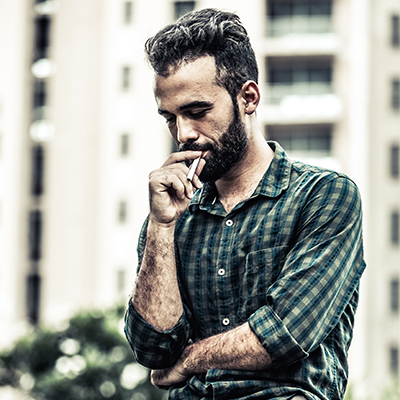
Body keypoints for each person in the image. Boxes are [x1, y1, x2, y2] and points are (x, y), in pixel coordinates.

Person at [124, 8, 366, 400]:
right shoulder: (171, 217)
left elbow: (284, 334)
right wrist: (161, 227)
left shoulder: (323, 196)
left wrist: (190, 360)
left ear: (248, 97)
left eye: (197, 112)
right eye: (169, 117)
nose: (183, 133)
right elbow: (152, 350)